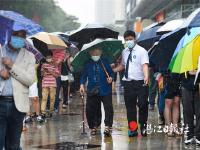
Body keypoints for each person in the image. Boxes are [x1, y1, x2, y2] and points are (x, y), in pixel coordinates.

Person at [0, 26, 35, 149]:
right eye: (16, 35)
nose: (19, 39)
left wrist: (11, 65)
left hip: (18, 106)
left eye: (22, 36)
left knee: (13, 145)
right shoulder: (1, 51)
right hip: (1, 103)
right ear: (9, 35)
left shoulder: (30, 56)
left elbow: (30, 80)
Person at [113, 30, 149, 137]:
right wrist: (113, 70)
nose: (129, 41)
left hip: (141, 82)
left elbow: (145, 65)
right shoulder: (124, 52)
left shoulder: (142, 51)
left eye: (131, 39)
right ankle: (133, 129)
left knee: (143, 104)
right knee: (130, 107)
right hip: (128, 83)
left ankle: (143, 127)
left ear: (135, 39)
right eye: (127, 40)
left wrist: (146, 76)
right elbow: (123, 65)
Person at [80, 48, 114, 136]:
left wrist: (111, 78)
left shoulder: (104, 61)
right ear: (90, 53)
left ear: (101, 52)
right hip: (92, 89)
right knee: (91, 109)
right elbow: (83, 76)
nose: (95, 54)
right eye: (93, 53)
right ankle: (94, 126)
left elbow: (111, 73)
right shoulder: (87, 63)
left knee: (108, 107)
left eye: (97, 52)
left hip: (105, 88)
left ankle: (108, 126)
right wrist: (81, 85)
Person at [182, 71, 200, 146]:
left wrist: (198, 72)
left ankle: (199, 136)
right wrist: (187, 72)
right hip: (186, 86)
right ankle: (189, 135)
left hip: (199, 87)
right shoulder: (184, 59)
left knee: (199, 112)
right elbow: (178, 73)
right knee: (187, 112)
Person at [40, 51, 59, 118]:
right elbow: (41, 75)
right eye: (47, 57)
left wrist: (50, 72)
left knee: (52, 98)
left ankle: (51, 111)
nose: (48, 58)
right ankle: (43, 112)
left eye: (49, 57)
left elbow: (57, 75)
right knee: (44, 98)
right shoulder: (43, 65)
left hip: (52, 84)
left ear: (51, 57)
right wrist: (43, 72)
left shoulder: (55, 65)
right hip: (45, 83)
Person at [164, 72, 181, 137]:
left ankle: (175, 127)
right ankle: (169, 127)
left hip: (178, 76)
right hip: (167, 76)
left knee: (176, 101)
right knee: (168, 102)